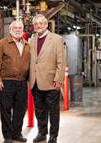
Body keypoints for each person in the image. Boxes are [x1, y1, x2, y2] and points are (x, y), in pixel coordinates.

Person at [29, 14, 66, 143]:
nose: (38, 26)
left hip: (51, 82)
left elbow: (61, 61)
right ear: (33, 26)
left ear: (46, 25)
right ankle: (42, 133)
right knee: (39, 111)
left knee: (53, 112)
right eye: (36, 24)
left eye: (41, 23)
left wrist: (59, 80)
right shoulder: (31, 40)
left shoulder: (56, 39)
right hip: (35, 82)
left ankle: (53, 135)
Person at [0, 20, 30, 143]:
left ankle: (16, 134)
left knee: (20, 109)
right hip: (6, 82)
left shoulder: (27, 45)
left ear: (23, 30)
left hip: (22, 82)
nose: (18, 30)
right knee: (6, 110)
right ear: (10, 30)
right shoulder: (2, 43)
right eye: (15, 28)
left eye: (20, 28)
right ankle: (7, 136)